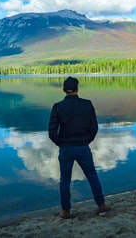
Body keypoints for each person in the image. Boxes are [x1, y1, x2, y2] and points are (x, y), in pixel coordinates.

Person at [48, 76, 111, 219]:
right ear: (77, 89)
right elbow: (94, 127)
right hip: (83, 147)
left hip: (66, 149)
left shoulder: (58, 107)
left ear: (64, 90)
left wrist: (61, 143)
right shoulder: (87, 104)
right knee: (92, 176)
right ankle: (101, 205)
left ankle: (65, 211)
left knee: (65, 180)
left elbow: (52, 132)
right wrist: (86, 140)